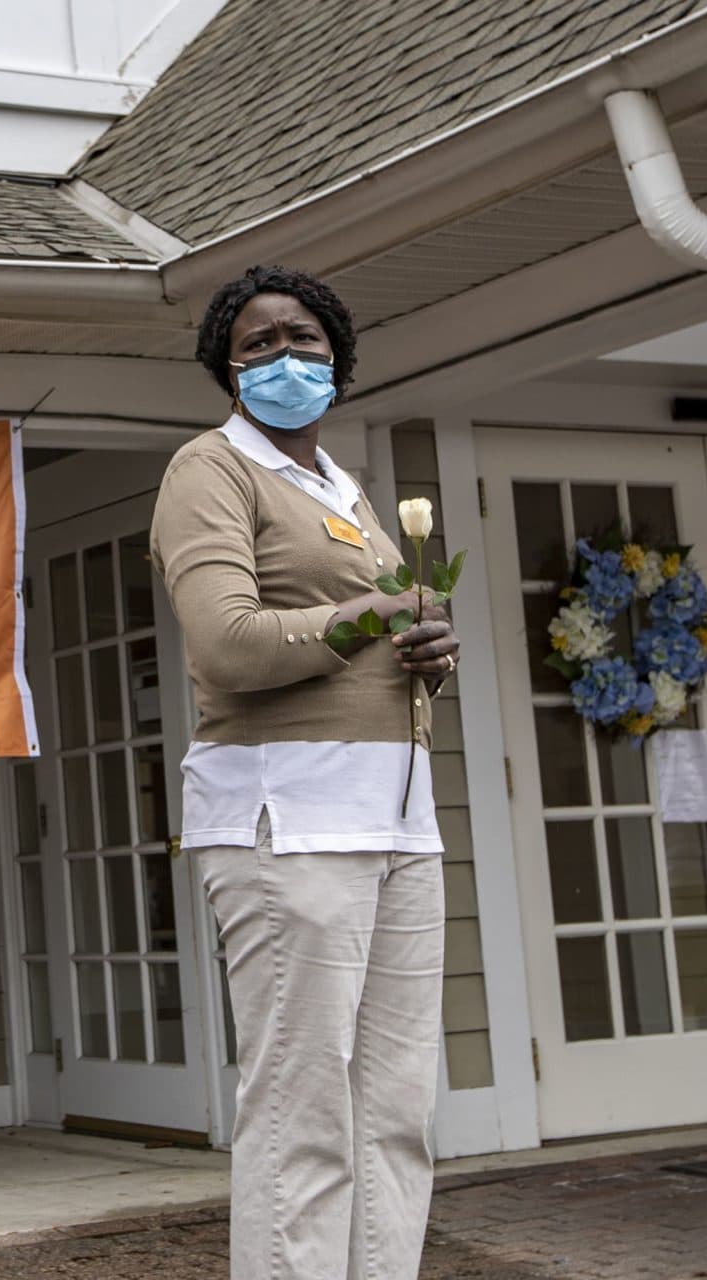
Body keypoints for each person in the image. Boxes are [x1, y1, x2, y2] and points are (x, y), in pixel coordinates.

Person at [149, 265, 460, 1280]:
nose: (286, 355)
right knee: (303, 1106)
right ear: (227, 369)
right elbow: (230, 644)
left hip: (397, 820)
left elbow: (364, 638)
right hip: (291, 820)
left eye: (306, 339)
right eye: (259, 342)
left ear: (339, 358)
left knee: (396, 1109)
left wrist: (427, 654)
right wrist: (376, 616)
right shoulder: (212, 469)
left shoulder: (346, 491)